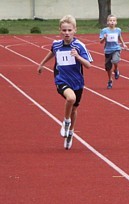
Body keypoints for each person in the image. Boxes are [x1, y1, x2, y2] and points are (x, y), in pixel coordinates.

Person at [37, 15, 93, 150]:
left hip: (77, 82)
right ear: (60, 31)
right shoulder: (56, 44)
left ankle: (71, 132)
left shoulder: (79, 46)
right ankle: (66, 122)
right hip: (61, 79)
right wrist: (42, 64)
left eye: (69, 30)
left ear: (75, 30)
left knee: (74, 108)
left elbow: (88, 65)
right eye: (64, 30)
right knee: (71, 98)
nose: (66, 33)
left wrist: (77, 56)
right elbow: (52, 52)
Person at [99, 14, 127, 89]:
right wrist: (104, 38)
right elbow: (101, 42)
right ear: (107, 22)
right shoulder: (104, 30)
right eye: (110, 21)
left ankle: (116, 69)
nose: (112, 22)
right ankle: (110, 80)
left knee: (115, 60)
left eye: (113, 21)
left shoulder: (118, 30)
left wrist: (123, 44)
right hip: (108, 50)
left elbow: (119, 36)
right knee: (108, 68)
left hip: (116, 49)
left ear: (116, 22)